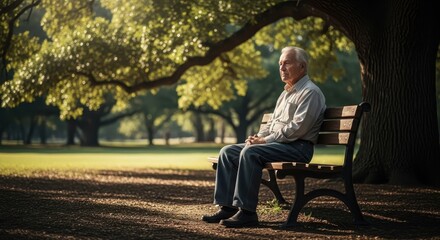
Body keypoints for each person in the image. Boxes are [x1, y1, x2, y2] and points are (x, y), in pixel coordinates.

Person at [201, 46, 326, 228]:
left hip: (298, 148)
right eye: (280, 64)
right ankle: (227, 207)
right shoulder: (285, 94)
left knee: (251, 153)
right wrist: (257, 137)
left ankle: (247, 212)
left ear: (302, 67)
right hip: (280, 144)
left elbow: (297, 129)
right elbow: (272, 124)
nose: (282, 68)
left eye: (287, 63)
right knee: (227, 152)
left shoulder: (310, 92)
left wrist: (264, 141)